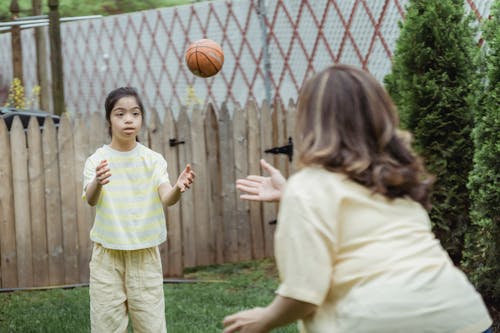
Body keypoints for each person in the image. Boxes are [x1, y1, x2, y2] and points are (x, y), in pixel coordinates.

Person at [223, 65, 492, 333]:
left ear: (310, 122)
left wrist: (264, 319)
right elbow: (364, 223)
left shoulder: (308, 188)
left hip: (377, 320)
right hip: (463, 315)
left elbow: (303, 295)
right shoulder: (395, 180)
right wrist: (291, 195)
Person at [82, 87, 195, 333]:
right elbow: (90, 200)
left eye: (135, 113)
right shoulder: (97, 160)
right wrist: (97, 182)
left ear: (142, 118)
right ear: (109, 120)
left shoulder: (153, 160)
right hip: (107, 256)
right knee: (106, 326)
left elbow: (167, 197)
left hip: (145, 254)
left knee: (151, 326)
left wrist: (178, 187)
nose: (128, 119)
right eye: (119, 114)